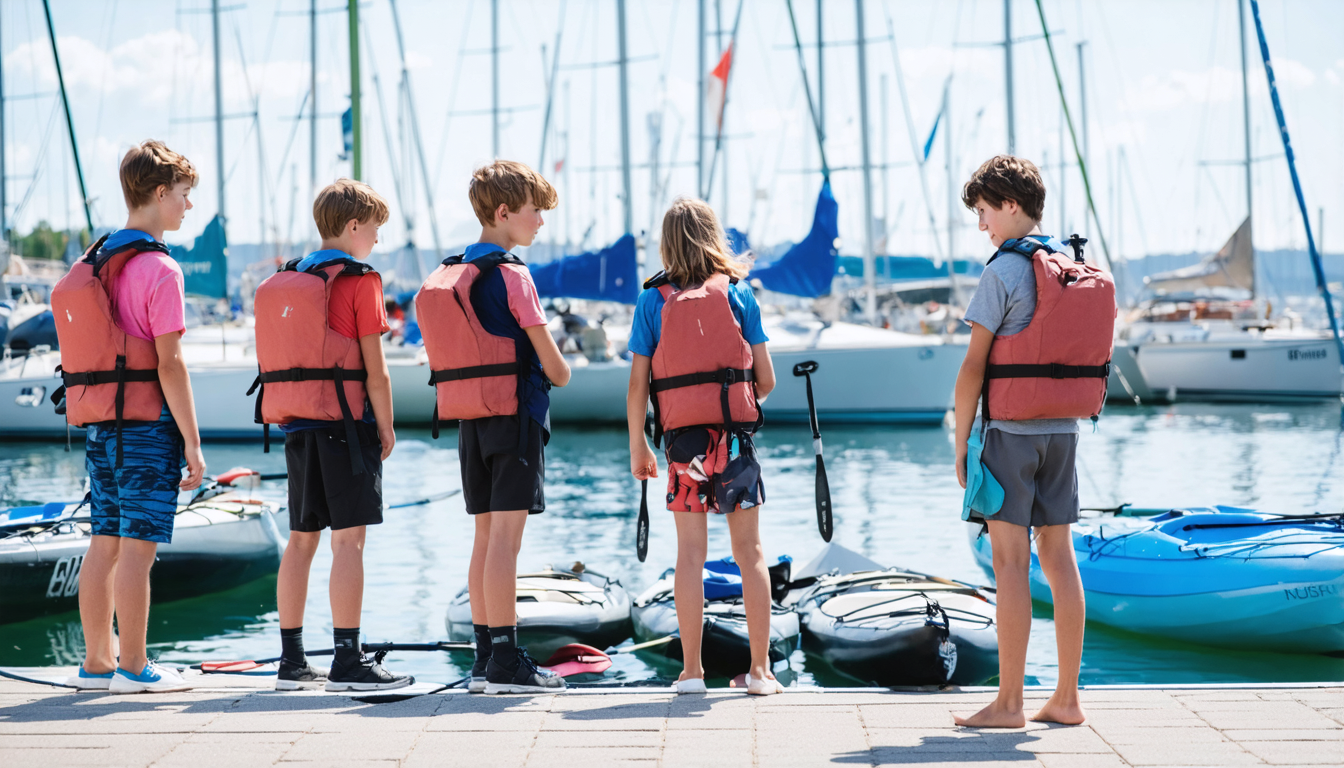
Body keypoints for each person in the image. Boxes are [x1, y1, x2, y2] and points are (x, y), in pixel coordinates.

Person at [953, 155, 1113, 728]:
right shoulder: (1068, 264)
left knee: (1010, 562)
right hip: (1063, 435)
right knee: (1060, 557)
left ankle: (1010, 703)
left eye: (984, 212)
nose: (982, 226)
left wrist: (961, 442)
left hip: (1010, 438)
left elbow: (973, 368)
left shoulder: (1002, 272)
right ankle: (1067, 699)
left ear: (1011, 205)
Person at [53, 140, 206, 693]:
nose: (190, 206)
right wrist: (192, 440)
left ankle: (96, 664)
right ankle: (135, 668)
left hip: (102, 425)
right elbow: (170, 362)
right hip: (145, 427)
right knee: (139, 548)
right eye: (185, 195)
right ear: (161, 193)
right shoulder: (161, 269)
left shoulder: (99, 258)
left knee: (106, 540)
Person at [415, 160, 570, 694]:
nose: (541, 223)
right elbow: (556, 370)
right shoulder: (512, 275)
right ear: (504, 213)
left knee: (484, 538)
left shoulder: (453, 272)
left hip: (472, 423)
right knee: (507, 540)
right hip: (515, 421)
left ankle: (485, 660)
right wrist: (562, 367)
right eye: (535, 213)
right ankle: (507, 661)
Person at [252, 178, 411, 692]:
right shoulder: (359, 281)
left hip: (297, 427)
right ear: (353, 226)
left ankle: (292, 661)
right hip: (346, 428)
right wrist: (386, 427)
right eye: (376, 229)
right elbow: (376, 370)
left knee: (300, 542)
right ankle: (348, 660)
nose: (378, 241)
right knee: (349, 543)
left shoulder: (289, 277)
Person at [626, 197, 780, 695]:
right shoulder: (738, 293)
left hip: (681, 448)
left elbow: (637, 387)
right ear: (715, 237)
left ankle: (691, 672)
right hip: (734, 442)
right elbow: (768, 380)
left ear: (667, 243)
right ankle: (760, 673)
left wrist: (638, 448)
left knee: (690, 555)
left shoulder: (653, 300)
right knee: (749, 553)